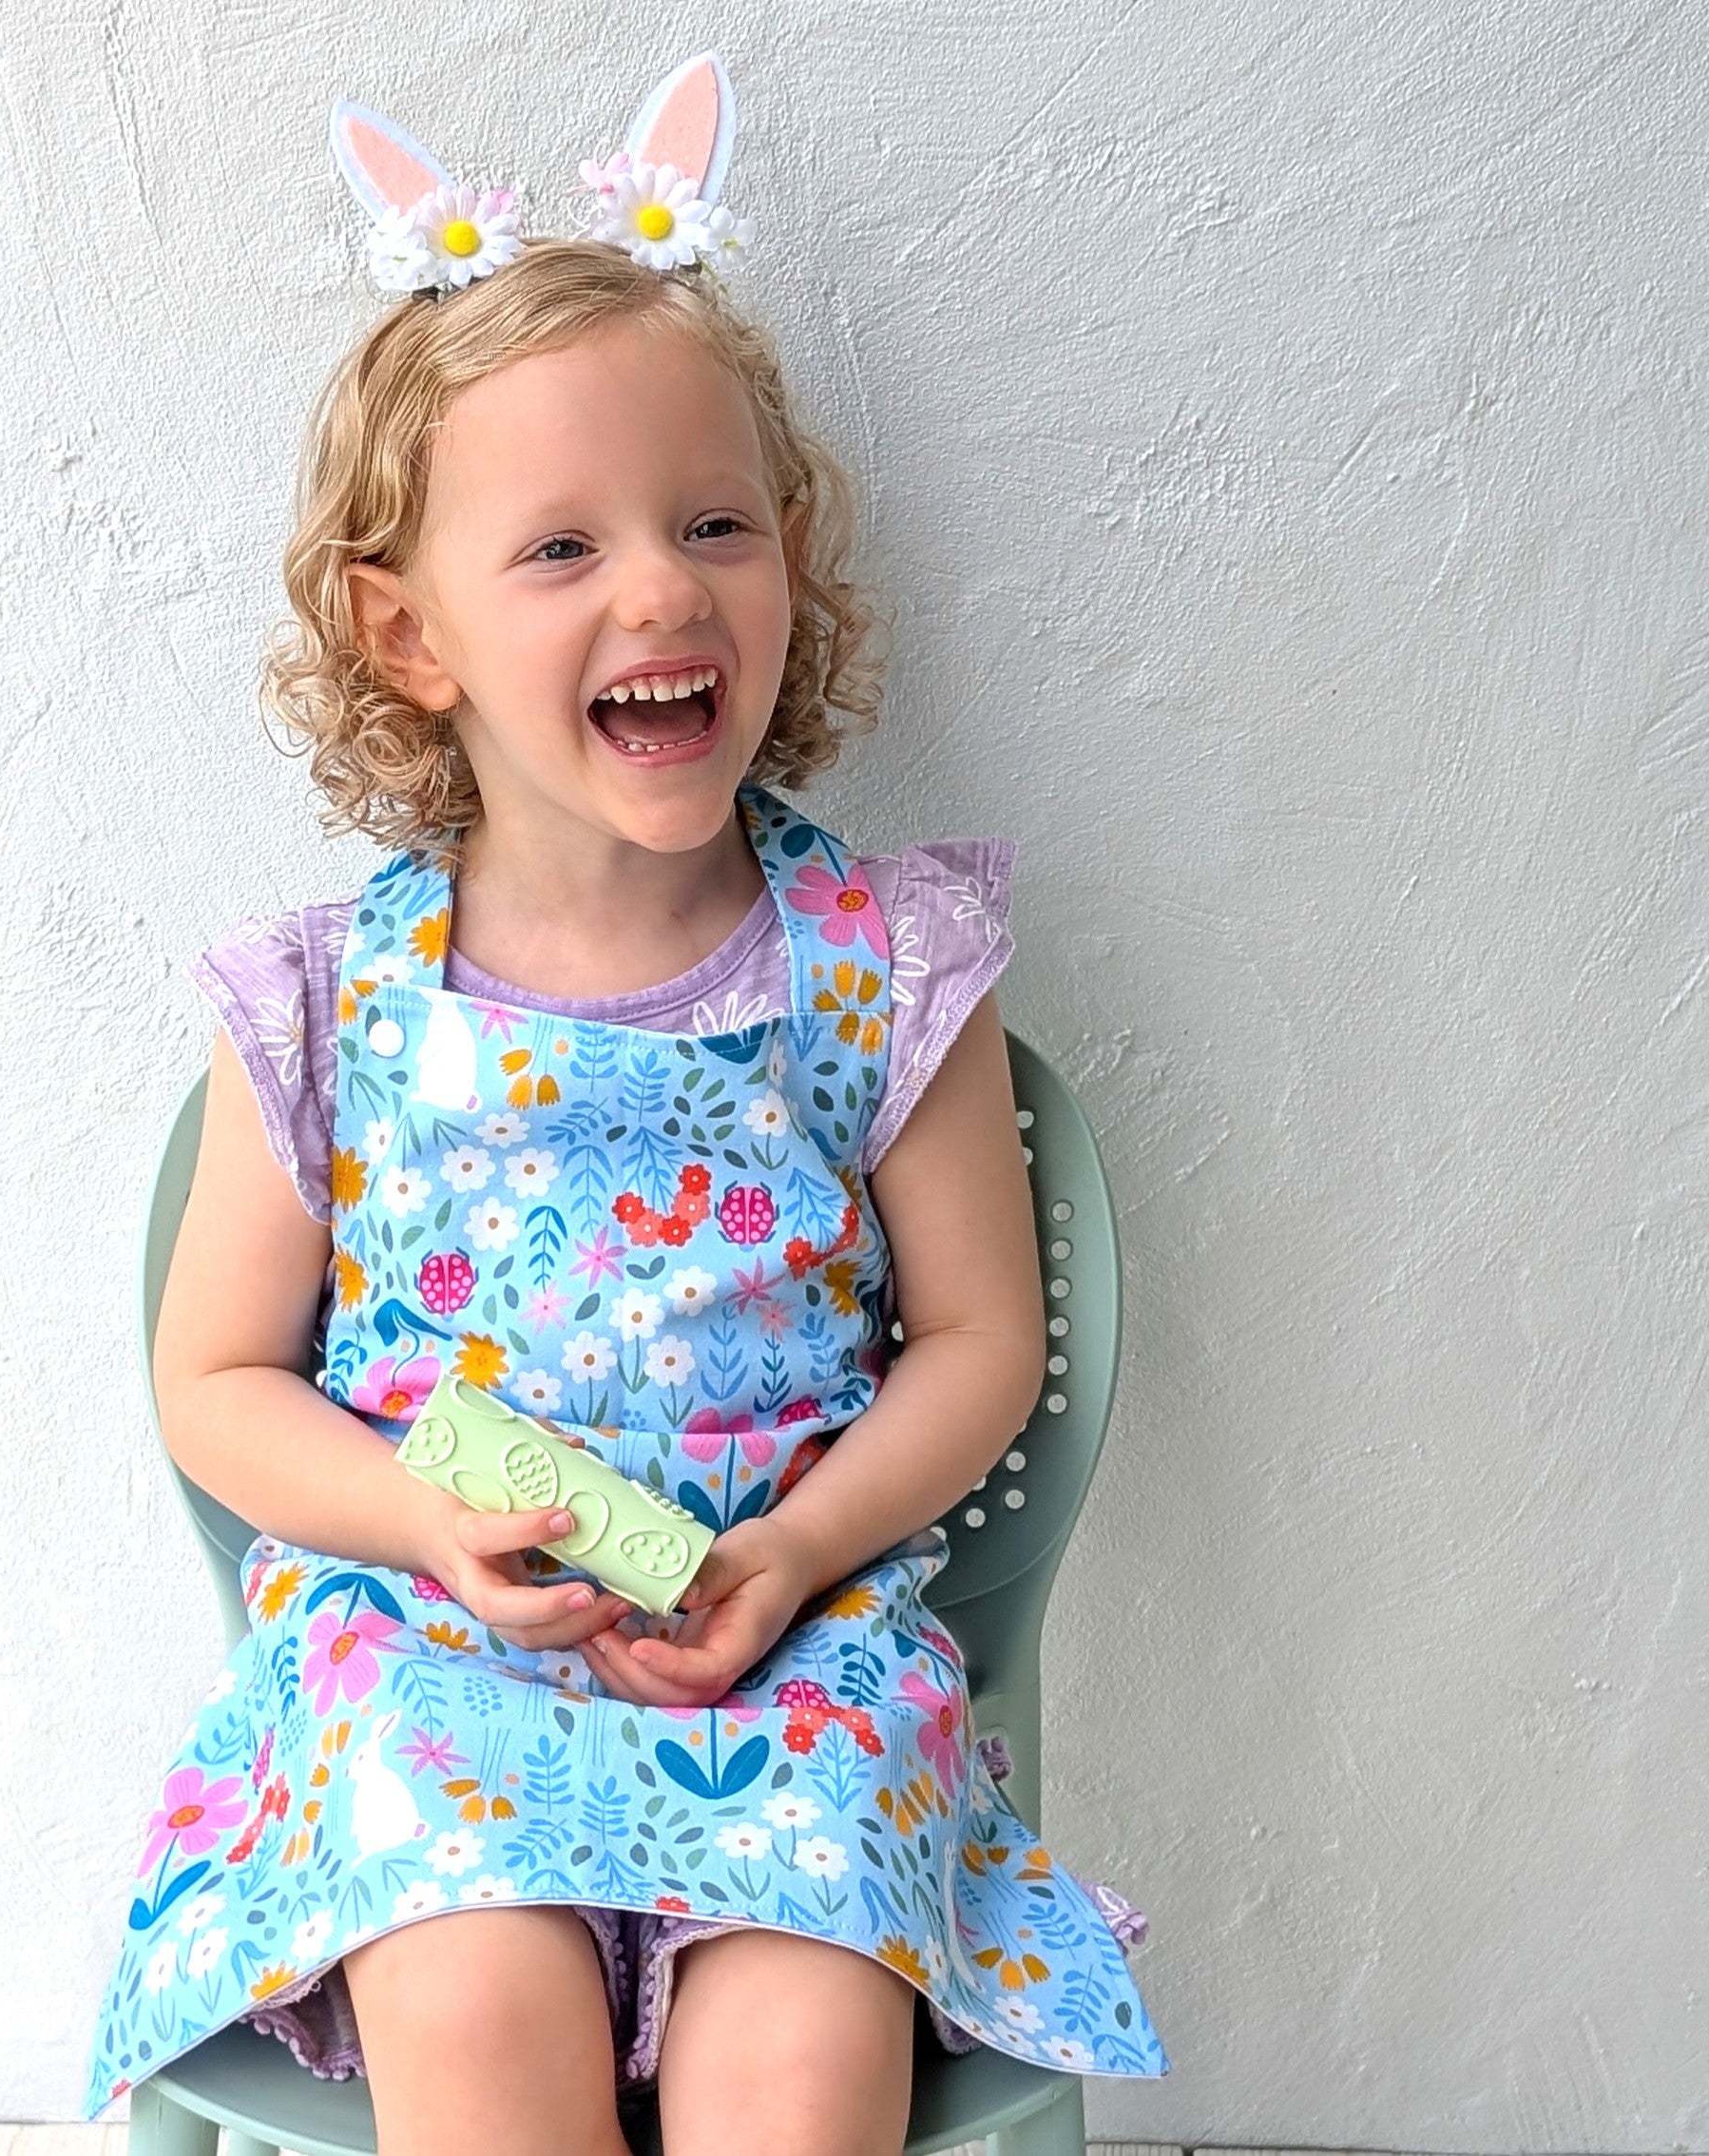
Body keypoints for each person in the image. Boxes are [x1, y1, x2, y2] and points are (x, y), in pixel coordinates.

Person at [84, 52, 1166, 2153]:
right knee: (474, 2012)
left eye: (713, 525)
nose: (661, 589)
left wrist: (803, 1545)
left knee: (802, 2066)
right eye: (562, 546)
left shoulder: (877, 965)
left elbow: (980, 1339)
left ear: (789, 564)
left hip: (789, 1640)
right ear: (410, 634)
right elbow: (215, 1378)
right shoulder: (329, 1004)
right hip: (434, 1650)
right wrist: (418, 1519)